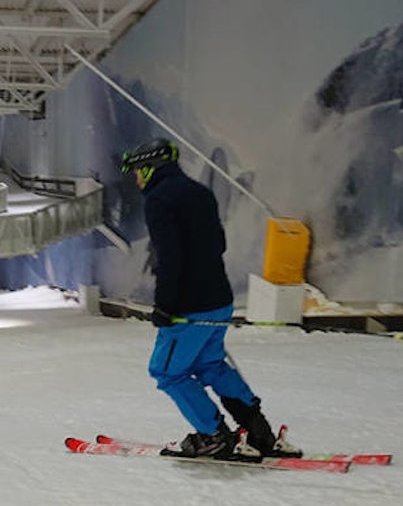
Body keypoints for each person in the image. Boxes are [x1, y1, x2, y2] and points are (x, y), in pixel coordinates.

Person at [120, 137, 302, 461]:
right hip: (218, 300)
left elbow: (169, 256)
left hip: (189, 308)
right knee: (211, 365)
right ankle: (260, 433)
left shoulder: (159, 199)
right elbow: (218, 243)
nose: (135, 178)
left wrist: (165, 305)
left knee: (167, 372)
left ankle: (214, 436)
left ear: (150, 169)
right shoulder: (200, 192)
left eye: (137, 170)